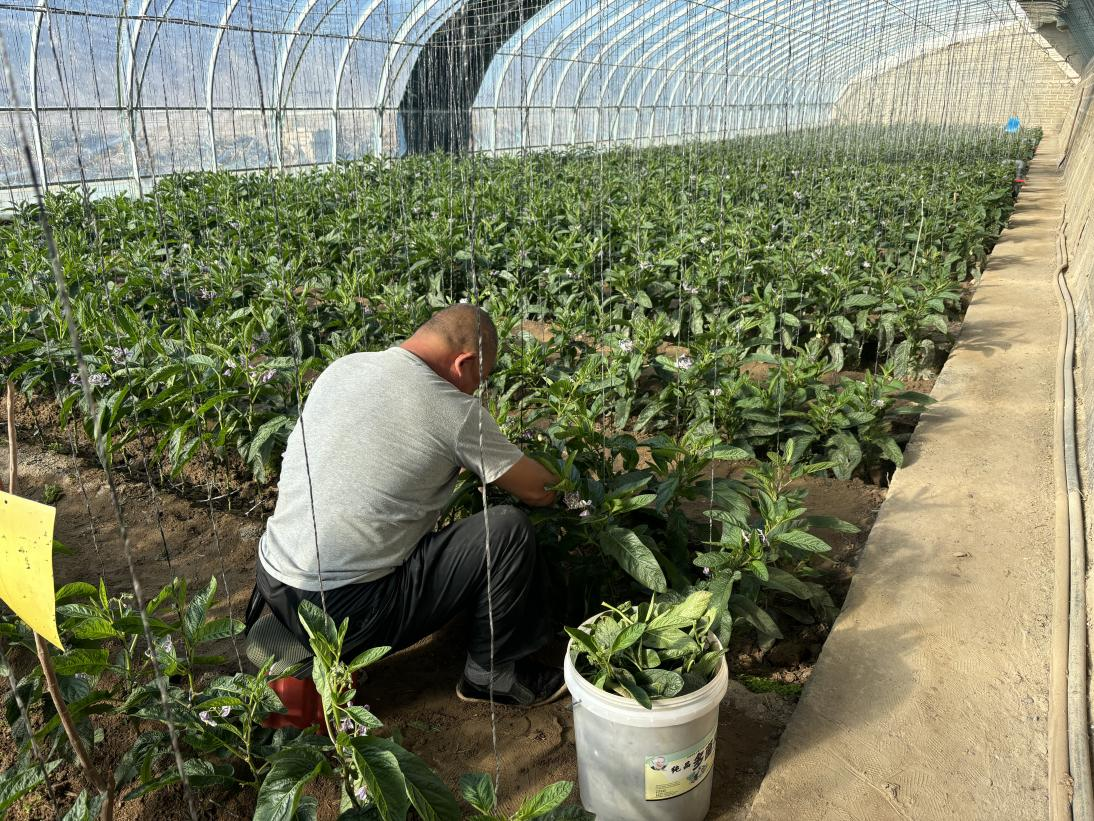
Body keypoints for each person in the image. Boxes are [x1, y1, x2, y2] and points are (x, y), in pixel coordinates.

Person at [247, 304, 565, 707]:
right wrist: (570, 482)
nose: (475, 392)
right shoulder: (452, 410)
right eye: (479, 380)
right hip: (344, 607)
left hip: (273, 581)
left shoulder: (344, 368)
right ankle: (492, 675)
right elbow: (541, 491)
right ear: (464, 362)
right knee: (506, 531)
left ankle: (302, 638)